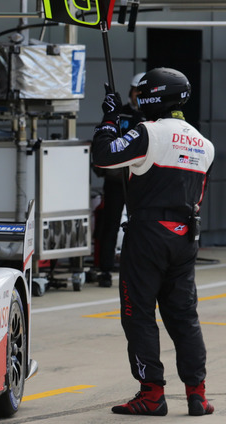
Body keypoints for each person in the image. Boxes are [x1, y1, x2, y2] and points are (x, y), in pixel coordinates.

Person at [91, 67, 215, 416]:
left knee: (138, 314)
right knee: (184, 318)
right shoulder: (205, 145)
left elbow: (103, 156)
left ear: (152, 97)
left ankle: (151, 394)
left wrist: (111, 119)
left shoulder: (148, 132)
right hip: (186, 235)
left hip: (147, 234)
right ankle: (197, 394)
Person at [94, 72, 145, 288]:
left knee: (142, 225)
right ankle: (105, 270)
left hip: (141, 179)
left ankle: (141, 269)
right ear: (131, 92)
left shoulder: (153, 118)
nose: (138, 96)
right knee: (111, 224)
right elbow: (104, 137)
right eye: (136, 91)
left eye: (143, 93)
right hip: (116, 178)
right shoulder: (119, 113)